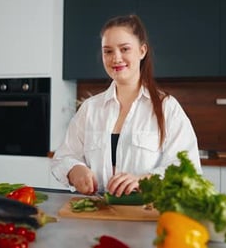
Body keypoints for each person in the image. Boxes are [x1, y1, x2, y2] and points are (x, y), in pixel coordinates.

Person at [51, 14, 201, 197]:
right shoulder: (90, 109)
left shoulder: (167, 108)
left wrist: (144, 180)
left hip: (146, 216)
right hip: (97, 215)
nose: (116, 58)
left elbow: (188, 171)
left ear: (142, 51)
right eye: (108, 51)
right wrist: (74, 170)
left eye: (125, 49)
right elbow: (62, 158)